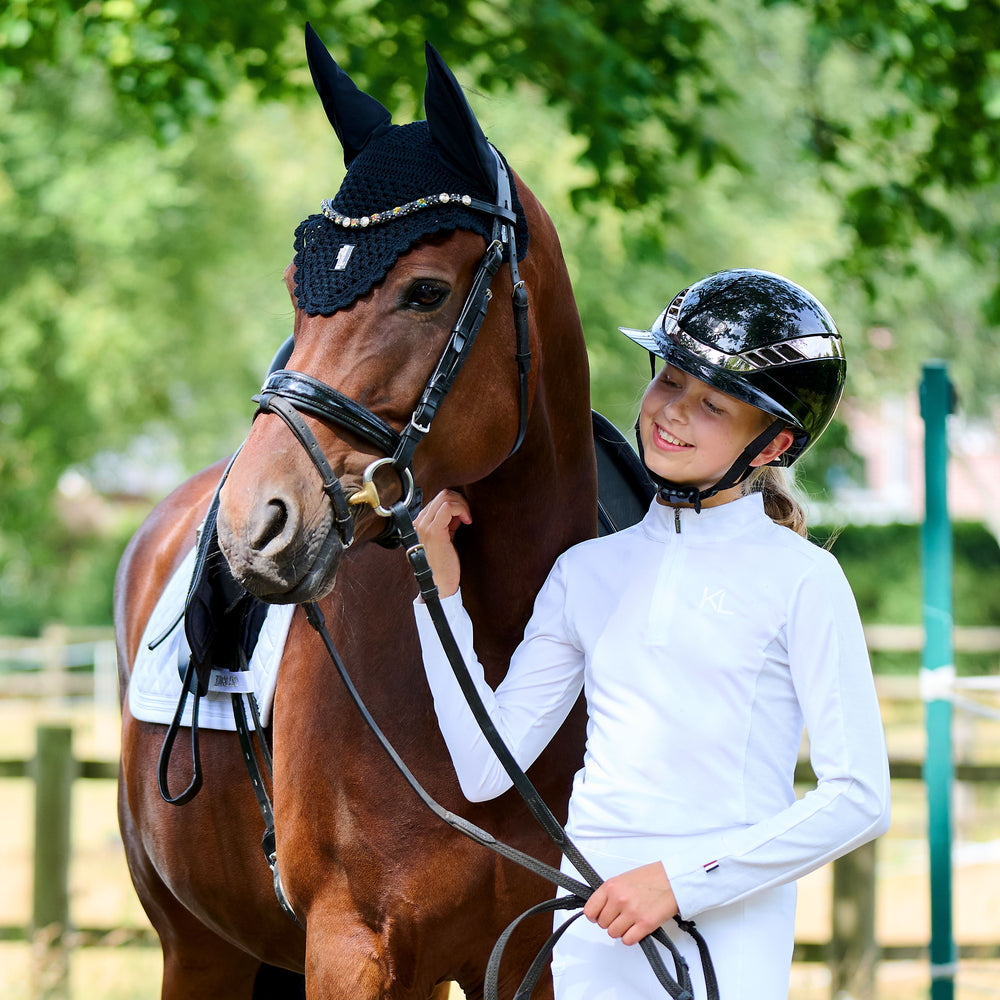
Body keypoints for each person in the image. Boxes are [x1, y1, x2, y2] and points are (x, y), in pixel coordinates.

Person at [412, 268, 891, 999]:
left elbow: (860, 798)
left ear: (772, 444)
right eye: (670, 381)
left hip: (722, 943)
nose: (672, 414)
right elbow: (485, 767)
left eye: (713, 405)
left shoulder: (803, 580)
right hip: (590, 934)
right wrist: (439, 594)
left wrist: (678, 886)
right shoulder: (584, 573)